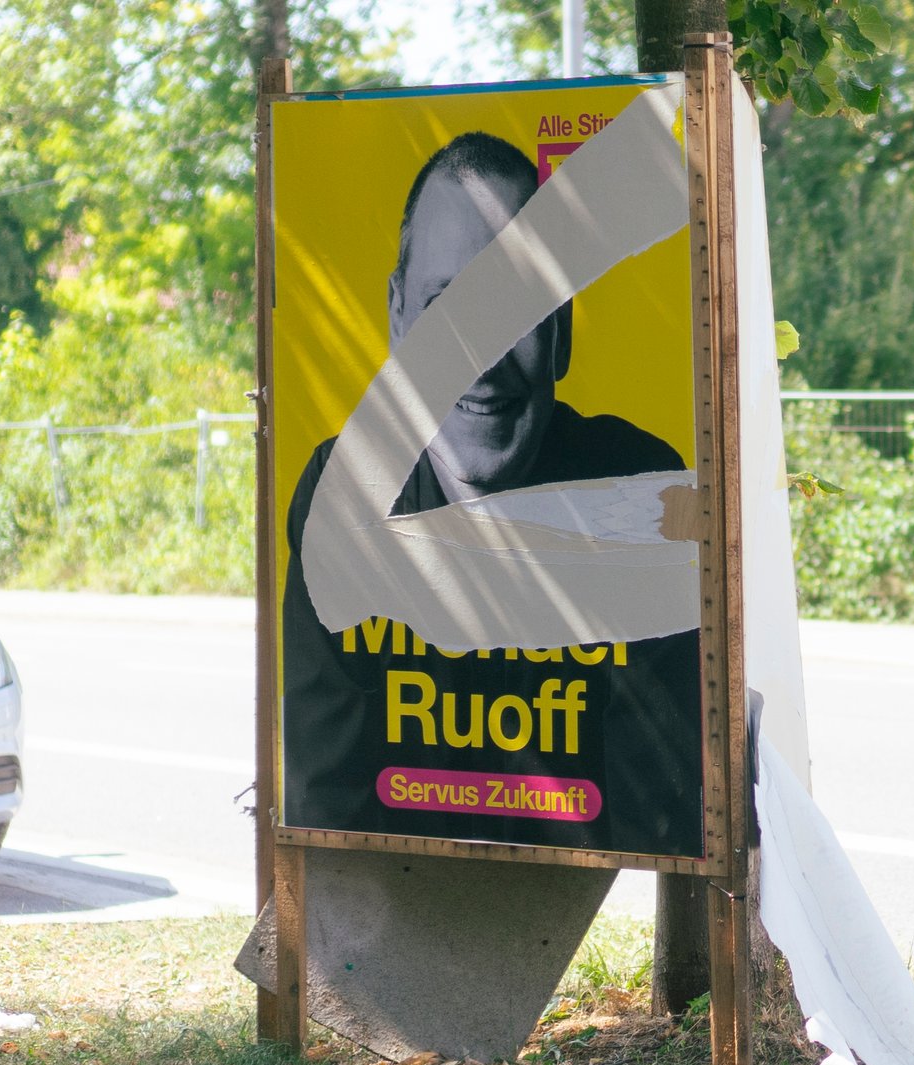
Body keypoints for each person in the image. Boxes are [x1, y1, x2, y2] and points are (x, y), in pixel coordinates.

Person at [280, 131, 702, 857]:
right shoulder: (342, 496)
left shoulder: (642, 494)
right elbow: (328, 801)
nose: (484, 360)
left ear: (563, 330)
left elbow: (657, 812)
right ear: (398, 319)